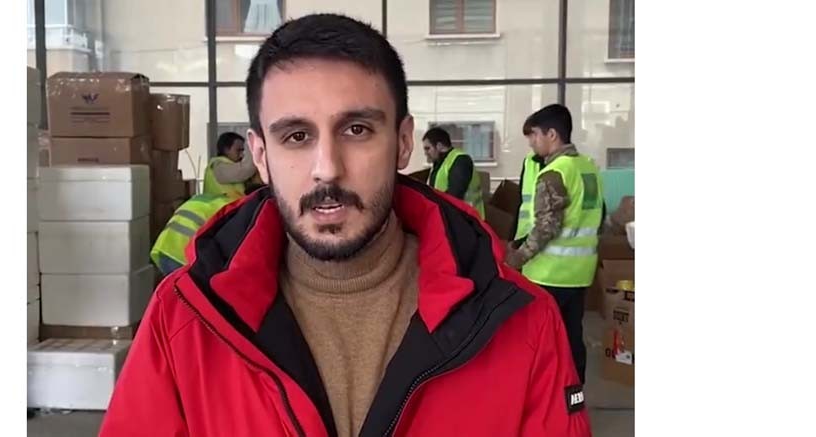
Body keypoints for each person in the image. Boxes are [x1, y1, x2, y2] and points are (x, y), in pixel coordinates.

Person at [101, 14, 590, 437]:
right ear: (260, 156)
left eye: (357, 130)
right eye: (296, 136)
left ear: (403, 142)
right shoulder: (182, 320)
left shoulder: (524, 325)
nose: (327, 169)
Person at [505, 103, 604, 384]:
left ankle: (546, 397)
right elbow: (598, 216)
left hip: (549, 274)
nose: (531, 142)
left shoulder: (555, 172)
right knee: (572, 338)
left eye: (534, 135)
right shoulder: (588, 168)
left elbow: (547, 226)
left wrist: (518, 257)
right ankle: (574, 397)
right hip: (579, 274)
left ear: (551, 135)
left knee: (541, 340)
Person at [149, 193, 235, 276]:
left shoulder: (208, 199)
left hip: (164, 250)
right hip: (182, 256)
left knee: (176, 284)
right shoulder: (231, 209)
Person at [423, 127, 485, 218]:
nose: (425, 153)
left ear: (439, 146)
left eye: (427, 148)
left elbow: (454, 196)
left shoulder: (461, 161)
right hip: (452, 216)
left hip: (468, 218)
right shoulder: (439, 163)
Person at [202, 131, 258, 200]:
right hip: (220, 206)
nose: (242, 155)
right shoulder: (218, 167)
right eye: (238, 150)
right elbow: (246, 169)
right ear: (226, 150)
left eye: (242, 151)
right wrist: (255, 146)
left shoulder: (228, 167)